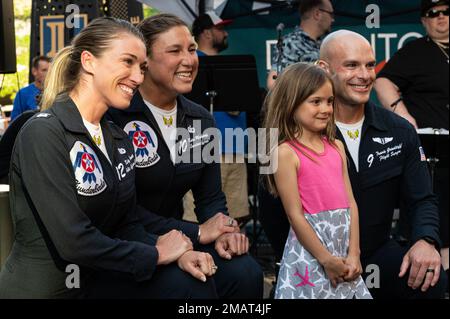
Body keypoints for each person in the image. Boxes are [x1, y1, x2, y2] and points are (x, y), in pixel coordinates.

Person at [0, 17, 235, 299]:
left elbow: (126, 222)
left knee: (195, 283)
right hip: (50, 290)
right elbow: (74, 241)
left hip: (101, 278)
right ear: (89, 61)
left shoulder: (116, 136)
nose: (137, 77)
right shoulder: (43, 132)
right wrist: (156, 254)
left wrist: (177, 253)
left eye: (142, 67)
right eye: (127, 62)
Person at [107, 14, 263, 299]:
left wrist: (225, 231)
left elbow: (210, 198)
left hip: (180, 237)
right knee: (191, 286)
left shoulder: (199, 118)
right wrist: (198, 233)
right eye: (175, 51)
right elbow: (123, 210)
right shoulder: (116, 115)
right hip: (127, 241)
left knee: (246, 273)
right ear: (146, 61)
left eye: (191, 49)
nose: (189, 60)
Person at [263, 62, 371, 299]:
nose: (326, 109)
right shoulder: (285, 153)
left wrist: (354, 253)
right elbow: (295, 215)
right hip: (310, 256)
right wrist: (326, 260)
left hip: (343, 252)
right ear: (291, 103)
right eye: (316, 101)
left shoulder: (337, 147)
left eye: (330, 101)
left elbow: (351, 204)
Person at [374, 0, 449, 278]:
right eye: (433, 14)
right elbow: (382, 81)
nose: (440, 18)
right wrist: (402, 115)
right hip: (432, 150)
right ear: (423, 21)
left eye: (446, 12)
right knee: (435, 202)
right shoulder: (415, 51)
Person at [185, 11, 250, 222]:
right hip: (202, 149)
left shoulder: (230, 65)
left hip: (236, 147)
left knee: (236, 216)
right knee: (200, 218)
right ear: (205, 33)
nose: (225, 33)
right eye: (220, 29)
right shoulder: (191, 64)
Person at [266, 0, 334, 90]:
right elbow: (274, 83)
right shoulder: (291, 43)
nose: (333, 19)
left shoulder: (323, 44)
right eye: (330, 14)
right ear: (317, 14)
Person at [10, 55, 51, 121]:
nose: (49, 73)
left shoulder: (56, 92)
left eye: (50, 70)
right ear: (34, 71)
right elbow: (14, 121)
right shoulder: (23, 93)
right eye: (44, 70)